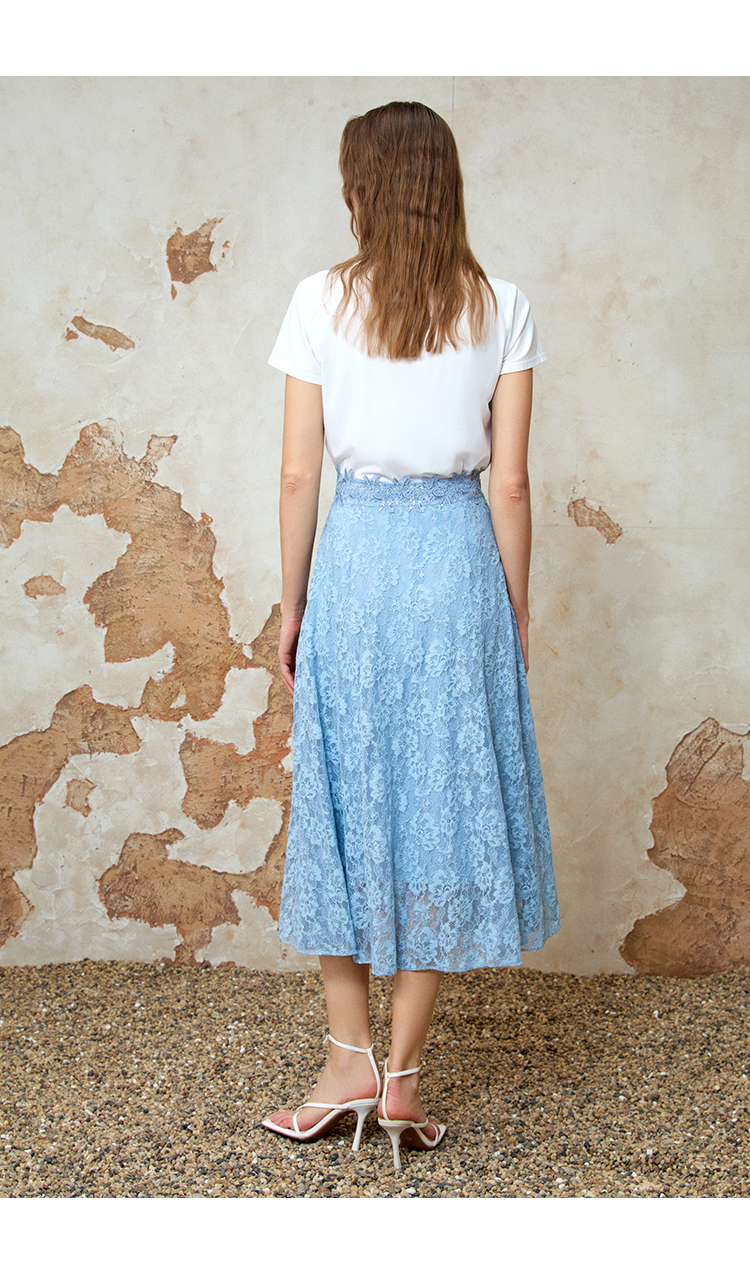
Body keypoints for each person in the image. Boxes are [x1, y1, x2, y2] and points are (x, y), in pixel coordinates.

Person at [262, 101, 559, 1171]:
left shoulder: (317, 299)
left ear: (363, 190)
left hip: (357, 563)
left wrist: (293, 605)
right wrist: (509, 608)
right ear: (447, 185)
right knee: (438, 803)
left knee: (341, 794)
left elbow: (298, 472)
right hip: (457, 562)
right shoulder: (502, 305)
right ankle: (401, 1077)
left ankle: (344, 1060)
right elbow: (510, 481)